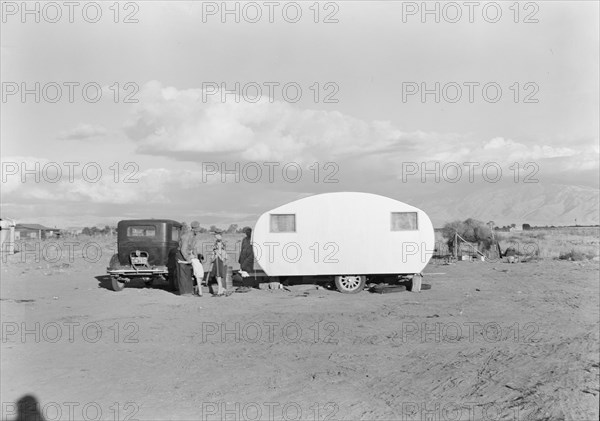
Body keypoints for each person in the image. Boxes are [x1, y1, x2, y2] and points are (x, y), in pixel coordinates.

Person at [210, 230, 228, 295]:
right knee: (218, 277)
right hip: (217, 260)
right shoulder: (216, 243)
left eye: (217, 235)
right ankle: (220, 290)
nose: (215, 236)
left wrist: (217, 253)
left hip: (219, 260)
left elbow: (222, 253)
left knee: (219, 276)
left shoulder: (221, 243)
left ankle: (220, 291)